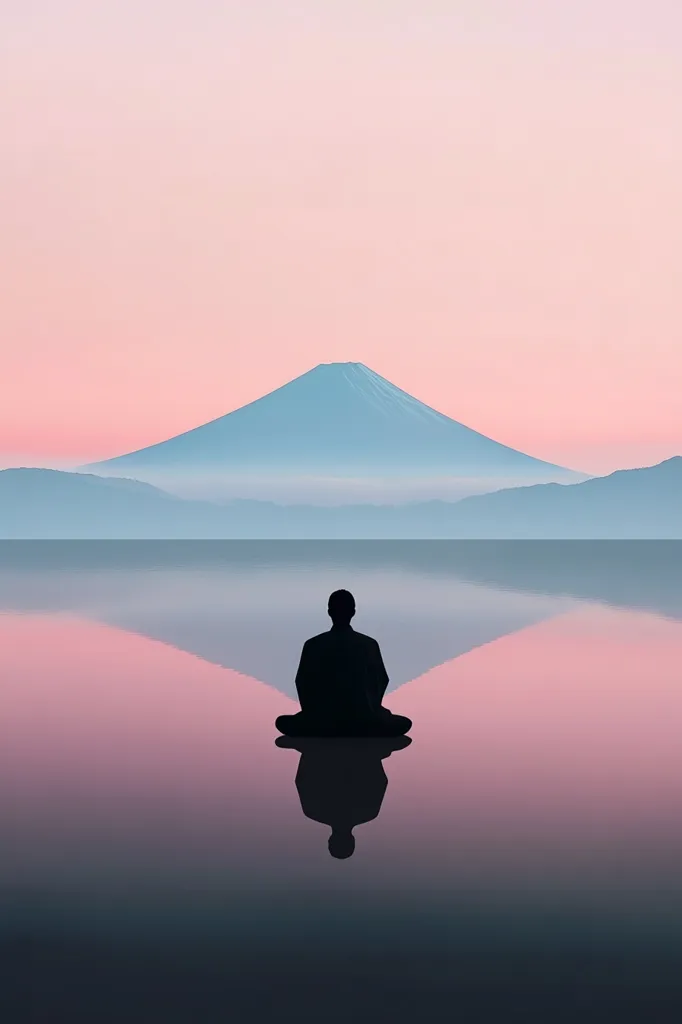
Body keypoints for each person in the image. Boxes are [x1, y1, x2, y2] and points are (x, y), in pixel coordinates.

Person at [275, 589, 412, 737]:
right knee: (402, 723)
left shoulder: (313, 645)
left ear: (329, 612)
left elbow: (302, 683)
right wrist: (370, 708)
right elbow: (381, 681)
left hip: (321, 722)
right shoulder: (369, 644)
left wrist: (313, 713)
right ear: (353, 612)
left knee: (283, 722)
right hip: (363, 720)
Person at [276, 735, 412, 858]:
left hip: (325, 735)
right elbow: (302, 778)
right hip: (353, 737)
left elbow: (380, 779)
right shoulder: (312, 812)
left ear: (352, 840)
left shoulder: (369, 813)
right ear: (330, 840)